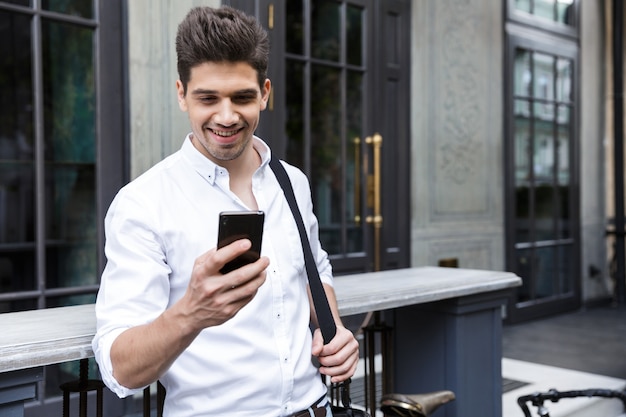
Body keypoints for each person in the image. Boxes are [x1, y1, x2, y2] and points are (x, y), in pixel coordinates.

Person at [92, 5, 360, 417]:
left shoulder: (293, 183)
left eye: (242, 97)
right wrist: (191, 313)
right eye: (208, 98)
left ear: (265, 93)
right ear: (181, 94)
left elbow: (314, 271)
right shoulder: (143, 203)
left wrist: (334, 329)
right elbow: (120, 369)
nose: (227, 116)